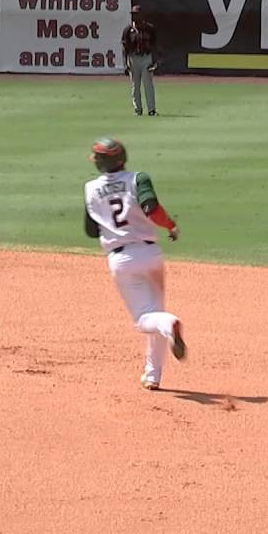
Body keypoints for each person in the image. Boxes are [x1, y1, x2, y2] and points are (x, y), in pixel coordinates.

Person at [83, 137, 186, 390]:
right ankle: (152, 375)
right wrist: (171, 225)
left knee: (145, 319)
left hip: (122, 260)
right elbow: (152, 209)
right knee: (156, 311)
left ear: (100, 164)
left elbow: (91, 231)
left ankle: (168, 325)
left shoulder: (90, 189)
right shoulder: (138, 178)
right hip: (151, 255)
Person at [121, 5, 158, 116]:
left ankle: (151, 110)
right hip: (133, 58)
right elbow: (124, 47)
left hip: (146, 57)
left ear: (142, 15)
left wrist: (154, 60)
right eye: (133, 14)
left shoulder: (150, 28)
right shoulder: (128, 30)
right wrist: (125, 63)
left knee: (148, 85)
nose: (134, 16)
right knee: (135, 85)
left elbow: (154, 45)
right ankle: (138, 109)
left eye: (136, 14)